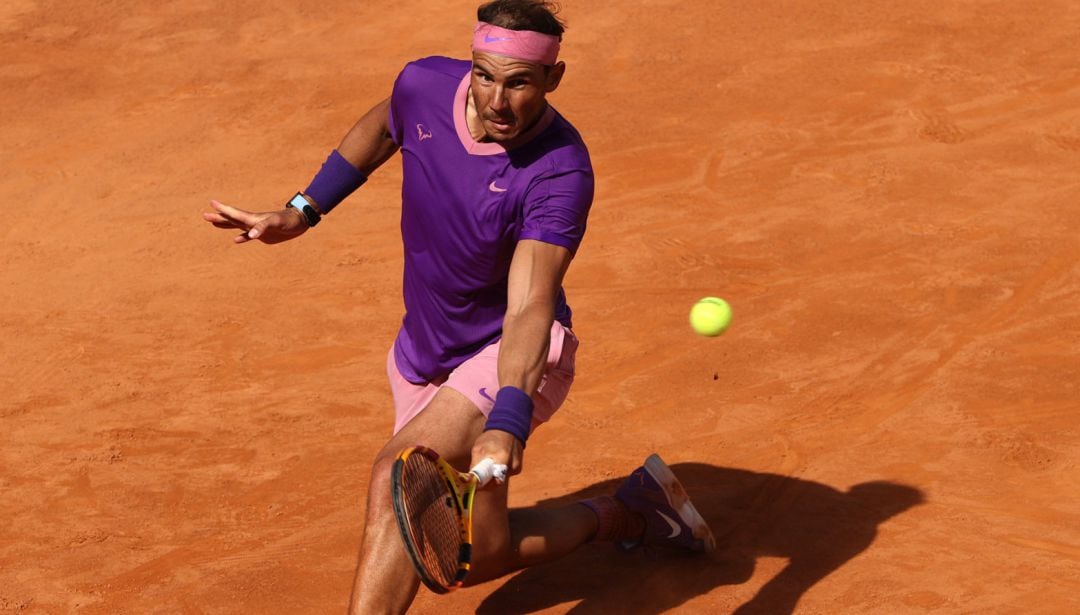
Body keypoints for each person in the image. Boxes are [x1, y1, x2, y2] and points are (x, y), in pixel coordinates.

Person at [203, 1, 715, 612]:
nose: (497, 100)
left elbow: (530, 303)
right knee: (477, 557)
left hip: (511, 357)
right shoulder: (423, 84)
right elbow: (383, 125)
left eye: (519, 81)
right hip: (422, 353)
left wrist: (508, 418)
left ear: (553, 79)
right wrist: (304, 209)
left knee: (393, 475)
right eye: (485, 75)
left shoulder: (559, 173)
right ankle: (630, 512)